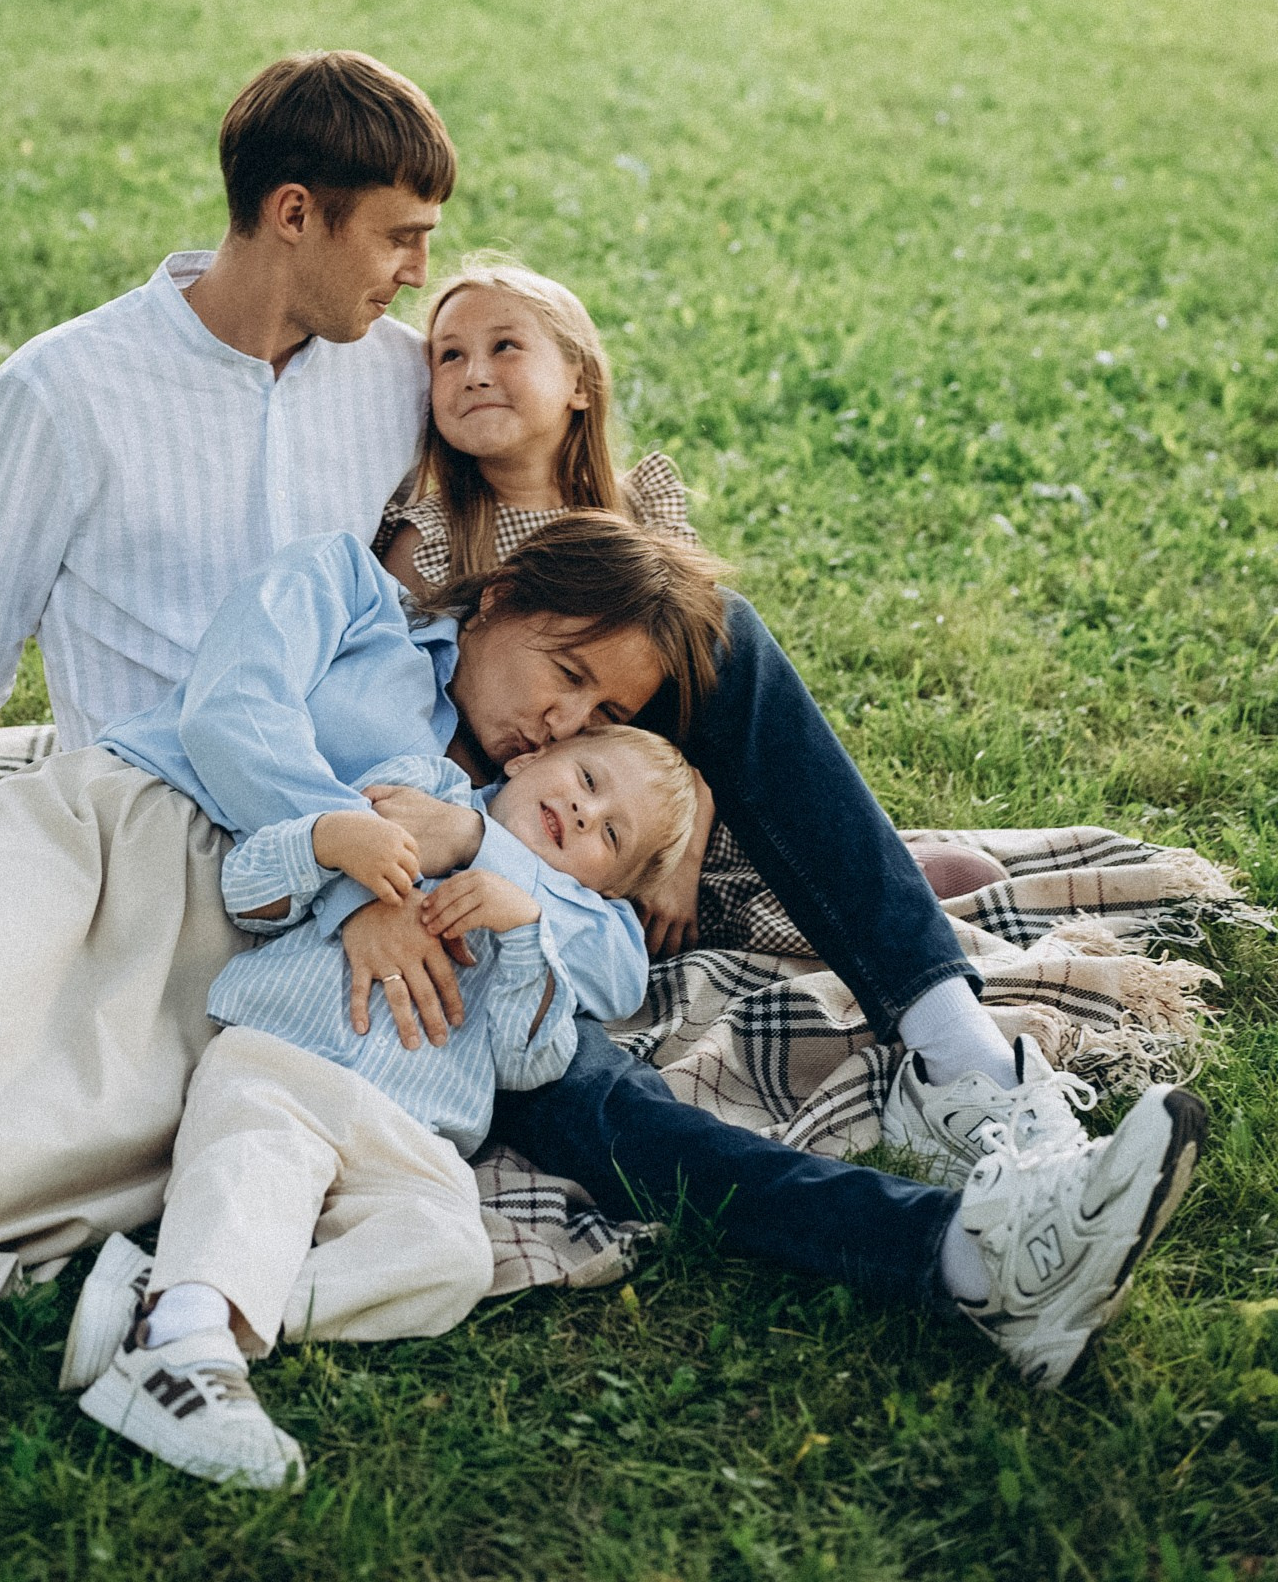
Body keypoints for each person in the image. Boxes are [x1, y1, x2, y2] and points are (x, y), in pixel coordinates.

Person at [0, 516, 1205, 1433]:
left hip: (232, 971)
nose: (562, 715)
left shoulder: (505, 818)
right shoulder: (340, 593)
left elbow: (572, 937)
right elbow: (227, 717)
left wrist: (454, 857)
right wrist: (353, 843)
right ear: (490, 598)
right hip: (115, 833)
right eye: (558, 673)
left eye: (601, 715)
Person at [0, 48, 454, 983]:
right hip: (141, 841)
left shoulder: (401, 376)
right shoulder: (64, 393)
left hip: (354, 844)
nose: (421, 271)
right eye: (401, 237)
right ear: (296, 213)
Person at [383, 260, 1088, 1174]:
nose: (473, 371)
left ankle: (953, 1039)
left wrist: (682, 843)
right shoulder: (439, 529)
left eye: (505, 347)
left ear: (581, 382)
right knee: (897, 874)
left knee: (721, 638)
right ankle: (863, 903)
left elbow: (681, 722)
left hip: (644, 802)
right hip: (519, 813)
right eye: (448, 355)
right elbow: (399, 689)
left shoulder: (632, 515)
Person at [63, 723, 696, 1489]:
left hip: (413, 1132)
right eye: (587, 780)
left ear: (604, 888)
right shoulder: (417, 789)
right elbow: (251, 895)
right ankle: (178, 1350)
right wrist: (329, 842)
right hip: (284, 1064)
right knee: (257, 1167)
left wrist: (525, 931)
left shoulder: (558, 924)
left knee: (452, 1258)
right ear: (529, 758)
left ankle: (183, 1307)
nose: (583, 814)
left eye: (609, 834)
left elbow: (530, 1064)